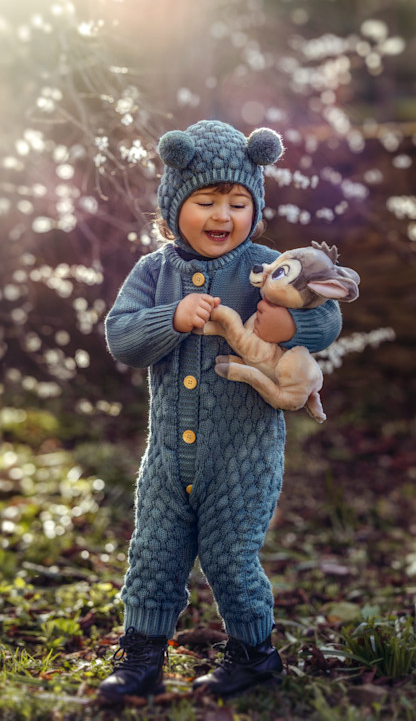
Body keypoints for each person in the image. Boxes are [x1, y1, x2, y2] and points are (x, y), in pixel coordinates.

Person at [99, 120, 342, 700]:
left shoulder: (265, 264)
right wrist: (172, 318)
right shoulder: (155, 272)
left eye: (238, 202)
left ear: (254, 207)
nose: (222, 215)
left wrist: (291, 323)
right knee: (154, 550)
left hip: (244, 452)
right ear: (174, 204)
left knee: (230, 554)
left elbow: (326, 314)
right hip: (166, 458)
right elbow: (120, 336)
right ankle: (140, 657)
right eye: (205, 201)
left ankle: (254, 653)